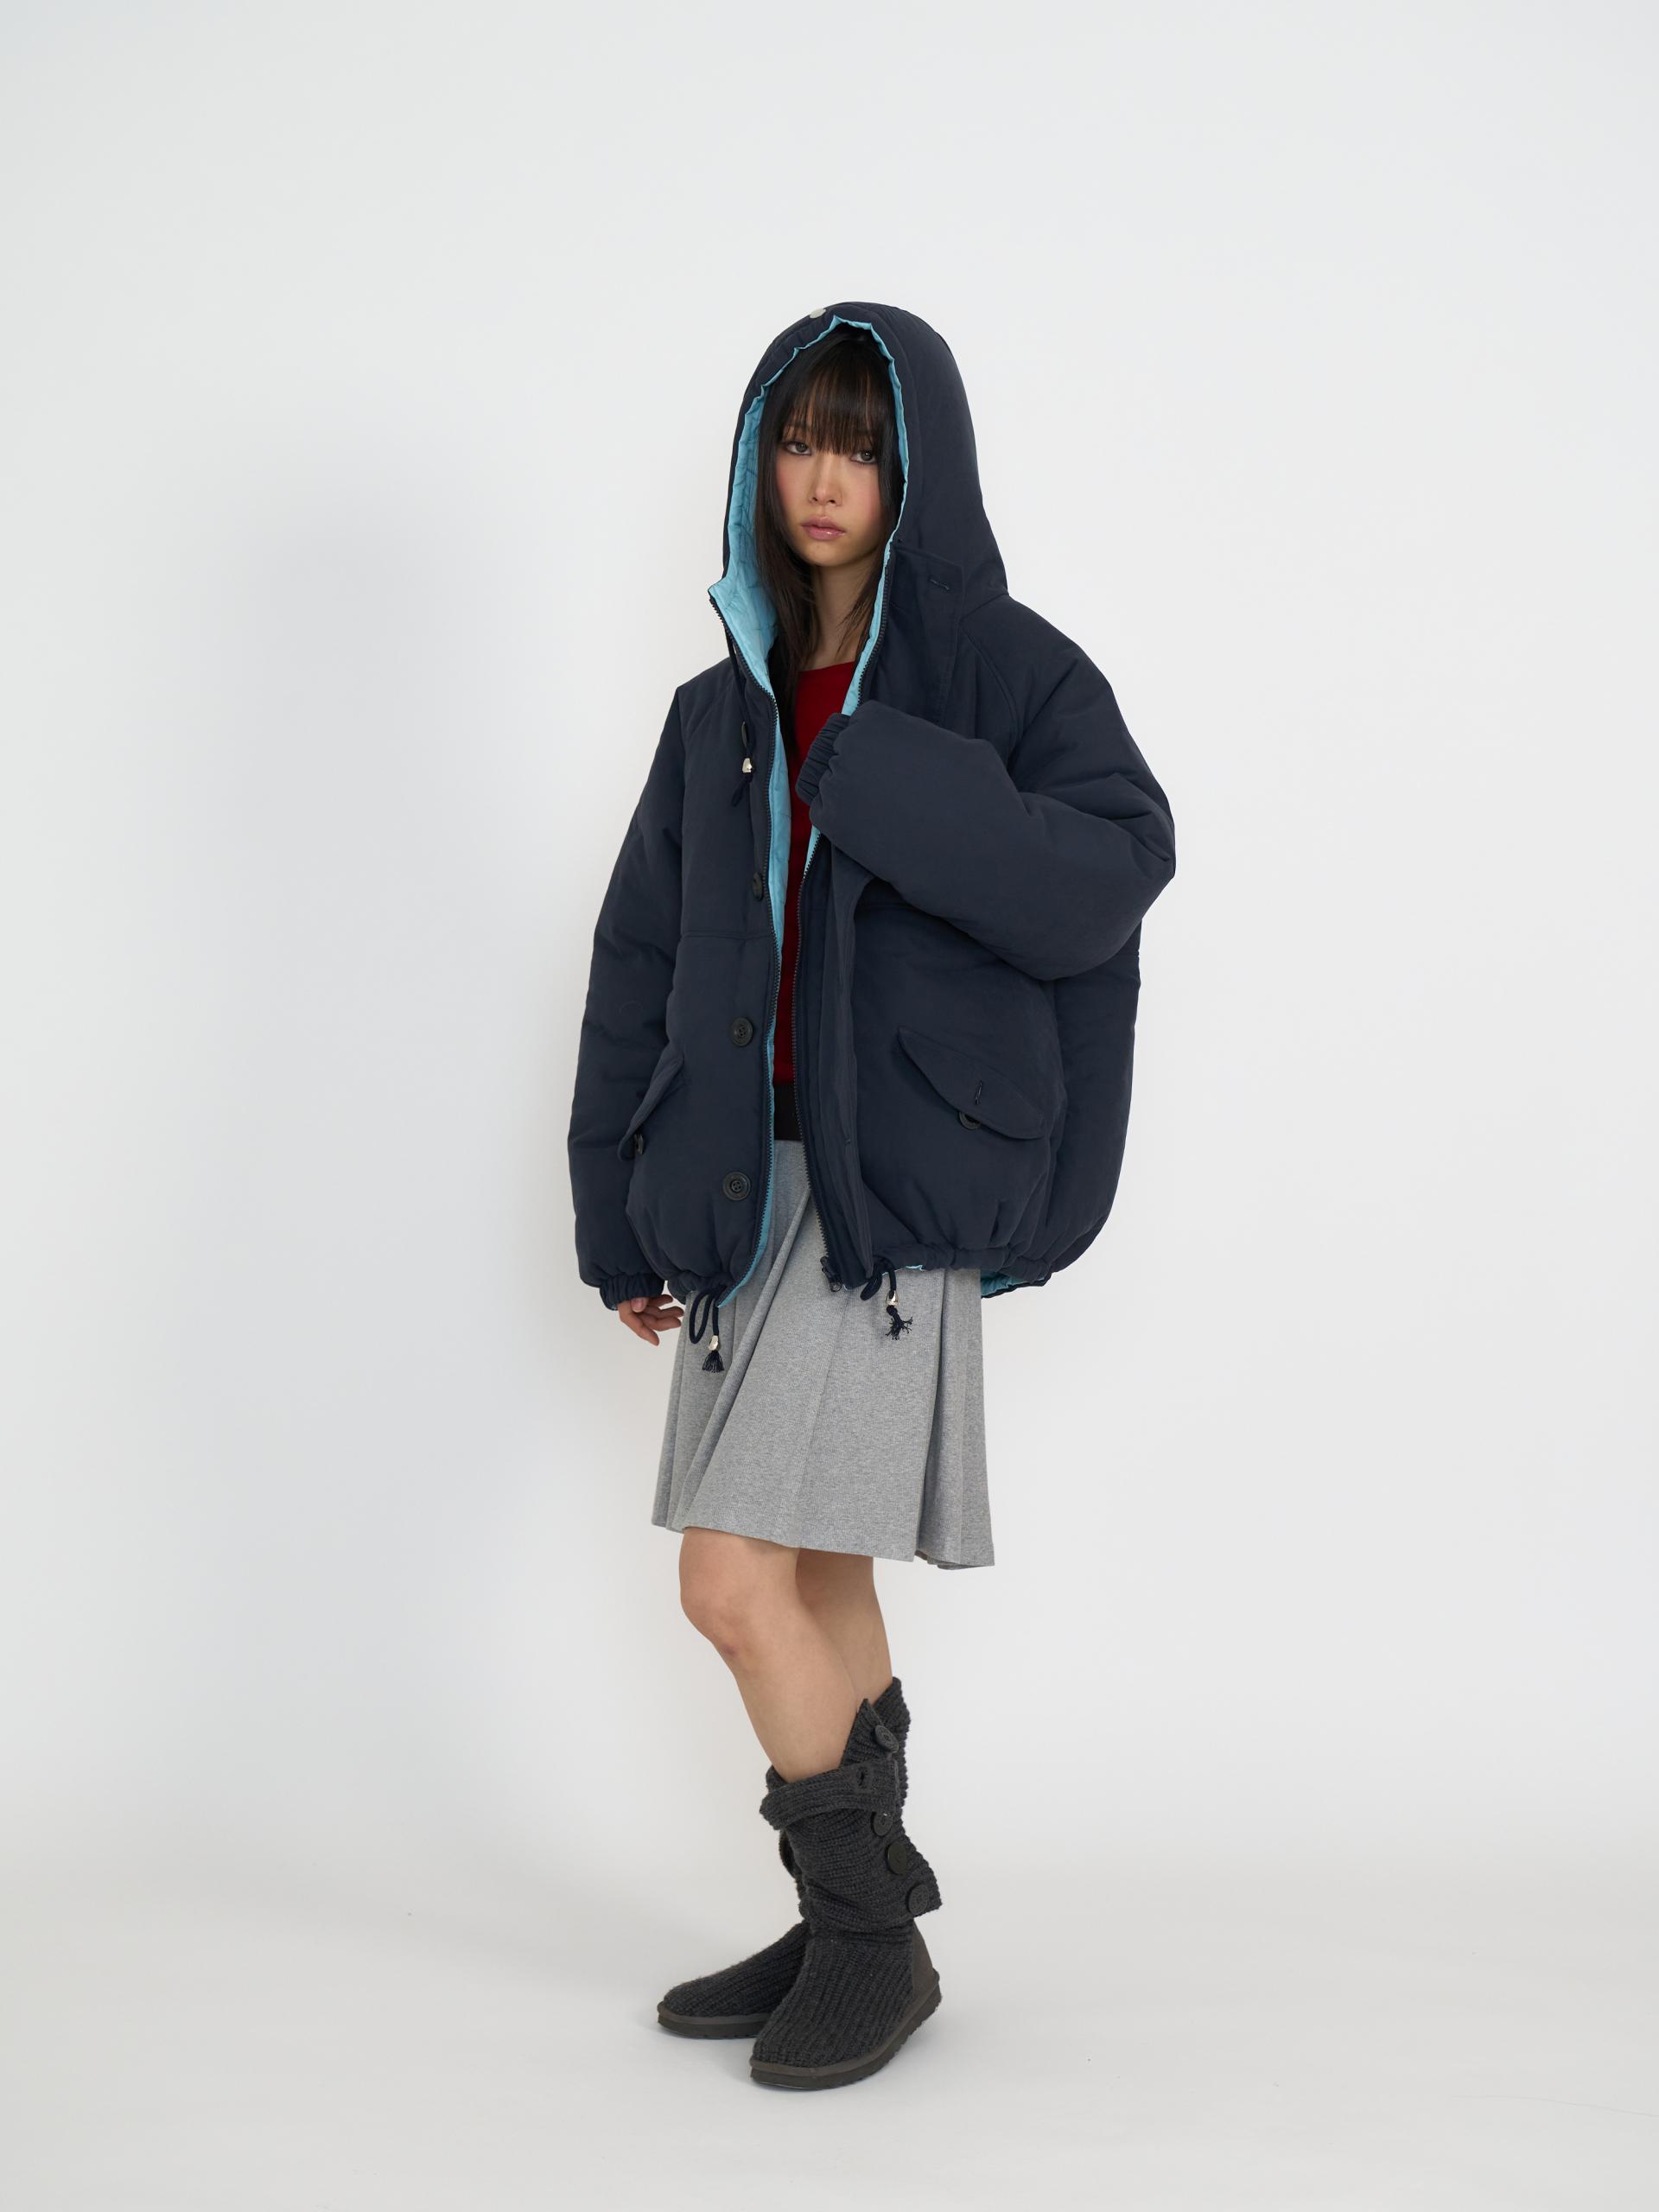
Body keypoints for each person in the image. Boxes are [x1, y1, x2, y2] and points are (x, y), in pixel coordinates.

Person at [567, 302, 1175, 2088]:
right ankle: (851, 1918)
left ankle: (866, 1932)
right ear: (759, 466)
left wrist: (885, 773)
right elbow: (637, 965)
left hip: (880, 1197)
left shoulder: (1008, 677)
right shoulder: (716, 716)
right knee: (807, 1569)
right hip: (736, 1193)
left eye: (859, 442)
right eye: (797, 440)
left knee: (727, 1582)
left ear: (918, 469)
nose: (823, 477)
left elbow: (1108, 874)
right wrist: (619, 1210)